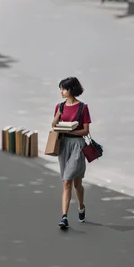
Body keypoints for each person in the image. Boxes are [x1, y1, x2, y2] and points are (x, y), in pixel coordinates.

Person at [51, 77, 92, 229]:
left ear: (72, 90)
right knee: (66, 181)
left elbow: (86, 130)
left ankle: (81, 206)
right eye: (60, 89)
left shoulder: (83, 107)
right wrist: (57, 115)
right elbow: (54, 125)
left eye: (64, 89)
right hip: (63, 145)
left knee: (76, 184)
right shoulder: (59, 106)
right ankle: (64, 217)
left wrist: (72, 131)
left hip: (77, 145)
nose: (61, 92)